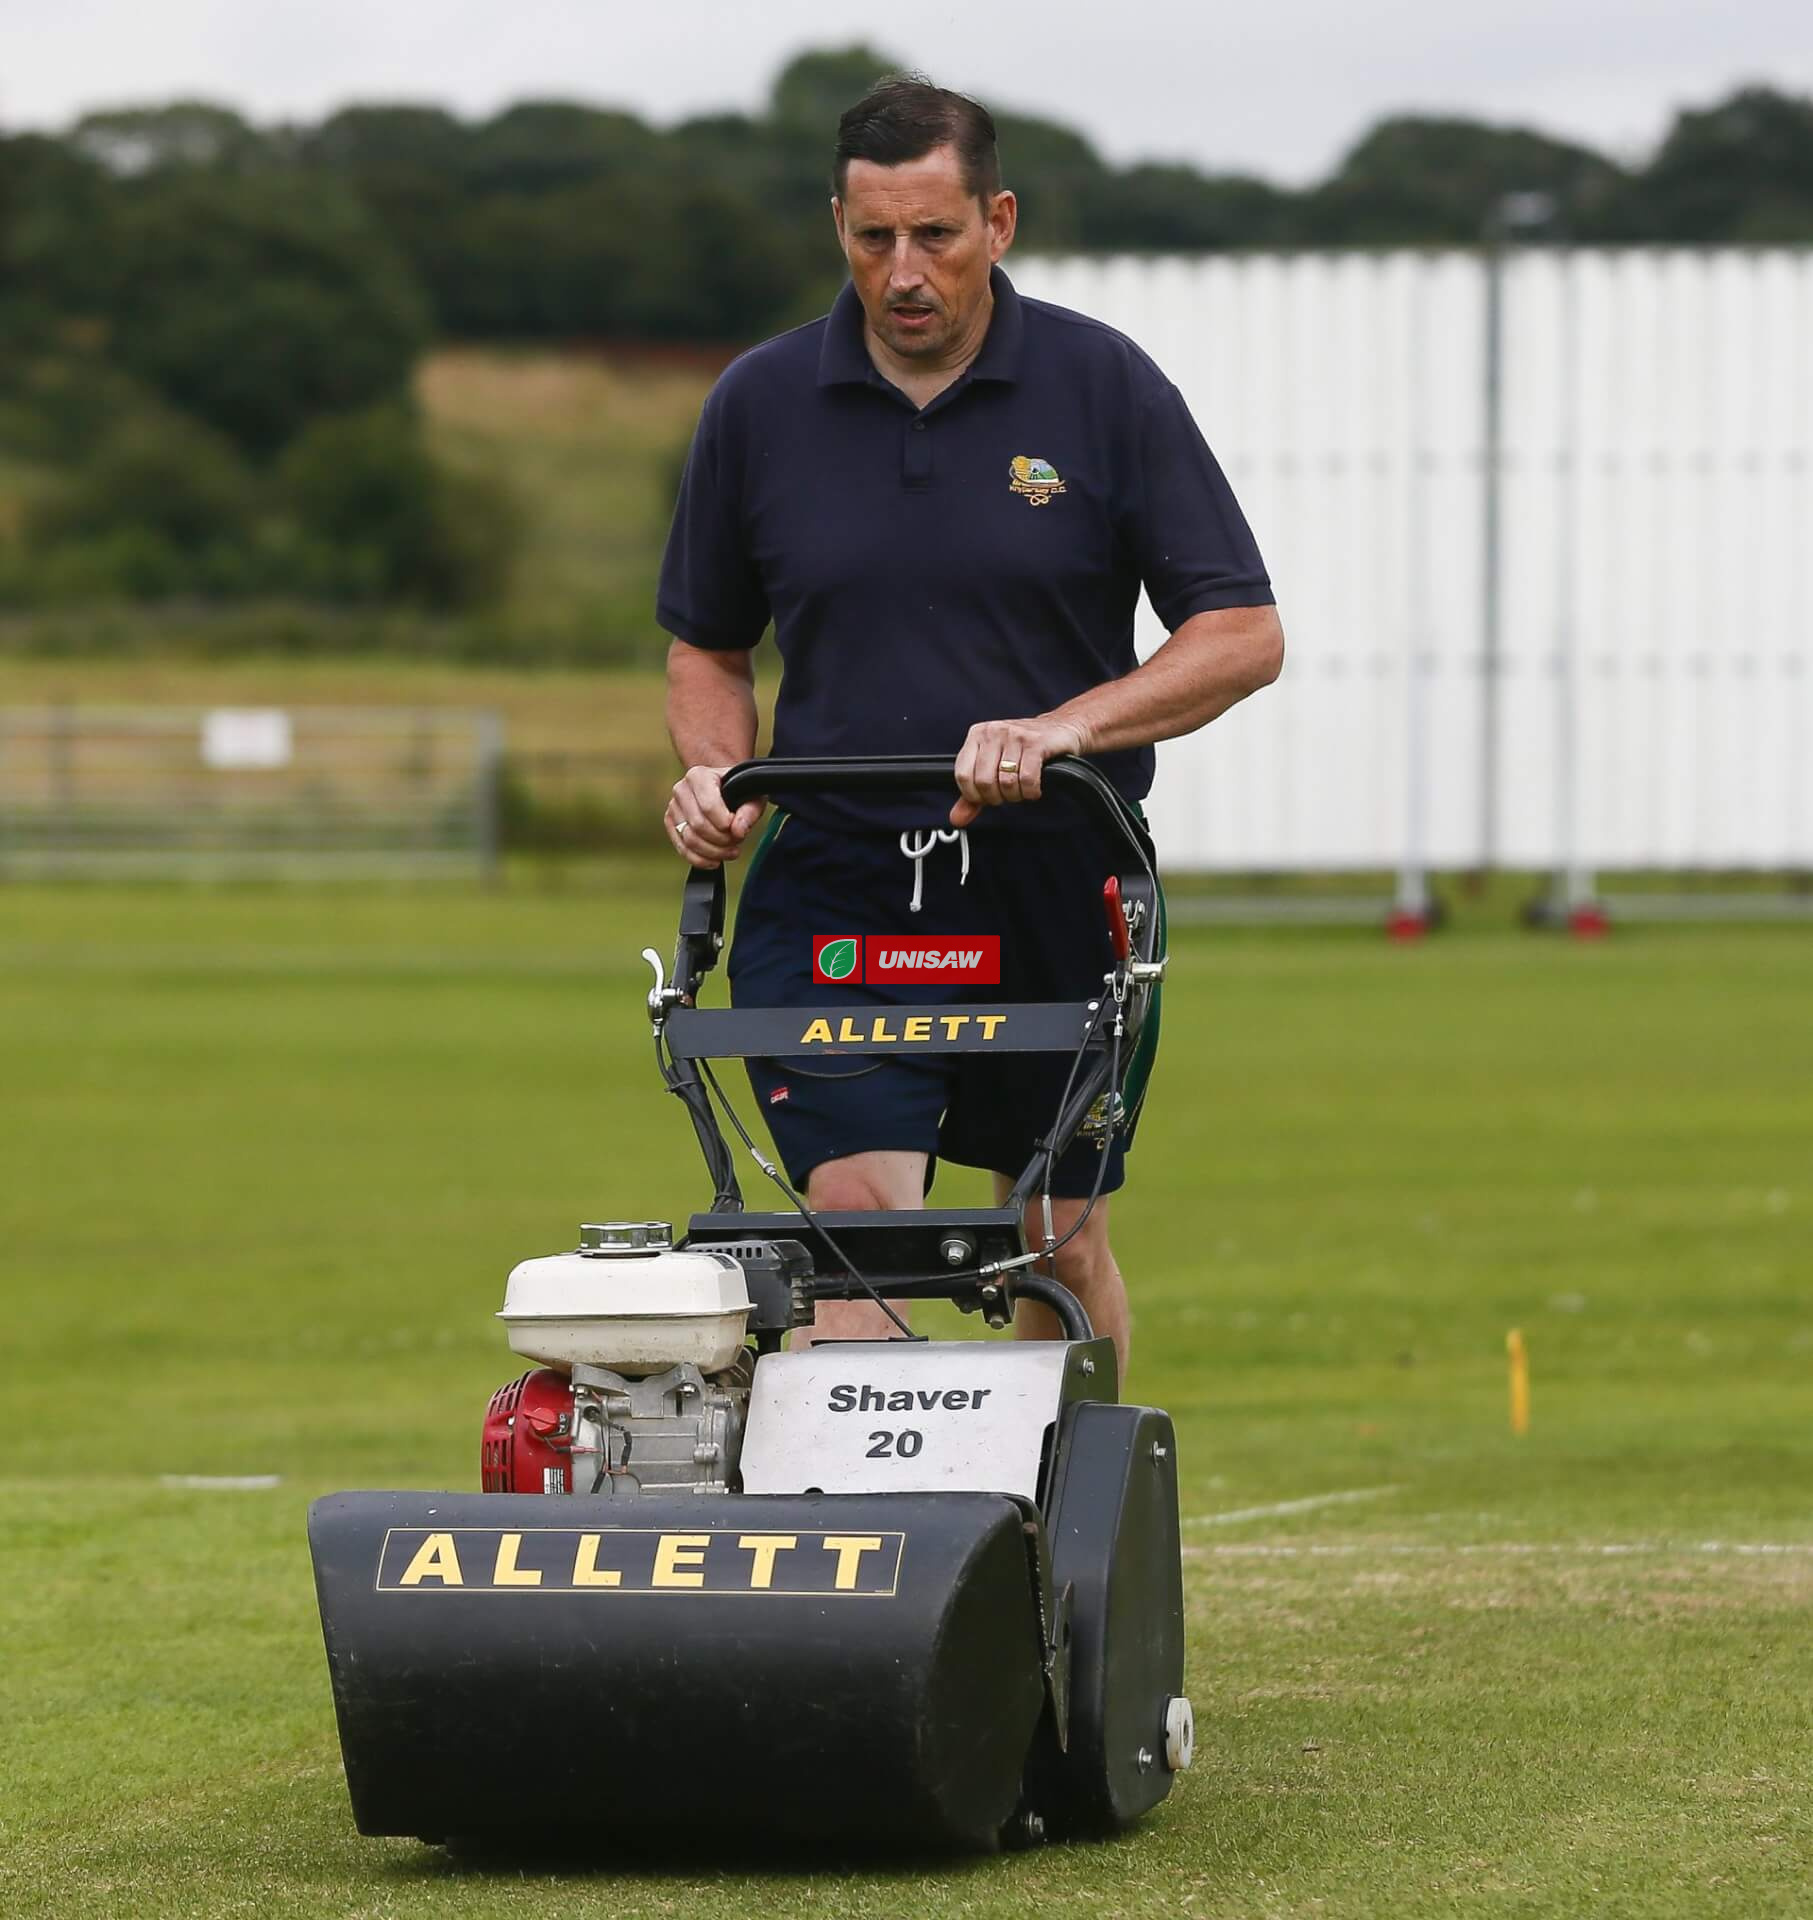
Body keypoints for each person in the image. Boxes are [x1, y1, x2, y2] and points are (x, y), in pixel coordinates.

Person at [656, 76, 1282, 1382]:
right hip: (835, 880)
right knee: (854, 1232)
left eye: (934, 234)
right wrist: (714, 770)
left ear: (997, 220)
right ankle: (879, 1549)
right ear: (837, 223)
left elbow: (1239, 636)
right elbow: (707, 646)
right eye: (872, 236)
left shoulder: (1101, 388)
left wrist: (1062, 728)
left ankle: (1071, 1526)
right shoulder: (760, 405)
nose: (903, 272)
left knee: (1049, 1235)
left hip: (1055, 875)